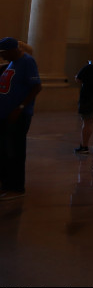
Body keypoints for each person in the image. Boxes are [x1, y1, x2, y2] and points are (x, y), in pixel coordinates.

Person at [0, 37, 41, 200]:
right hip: (5, 114)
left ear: (12, 50)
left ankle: (16, 188)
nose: (2, 56)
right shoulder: (11, 63)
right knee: (4, 150)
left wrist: (20, 107)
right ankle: (6, 183)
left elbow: (37, 87)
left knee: (15, 151)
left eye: (3, 53)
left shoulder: (27, 62)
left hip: (18, 115)